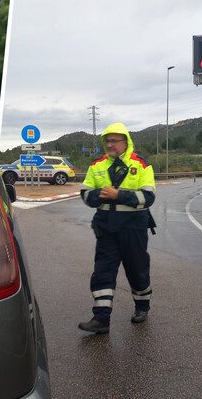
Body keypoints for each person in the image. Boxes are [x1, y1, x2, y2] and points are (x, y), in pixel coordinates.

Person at [78, 122, 156, 334]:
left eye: (114, 141)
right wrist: (98, 196)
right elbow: (85, 193)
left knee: (137, 269)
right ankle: (101, 318)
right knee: (103, 271)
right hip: (106, 228)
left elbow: (148, 197)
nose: (110, 144)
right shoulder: (97, 165)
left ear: (125, 142)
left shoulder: (140, 164)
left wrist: (118, 195)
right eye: (107, 140)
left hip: (133, 228)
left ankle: (142, 306)